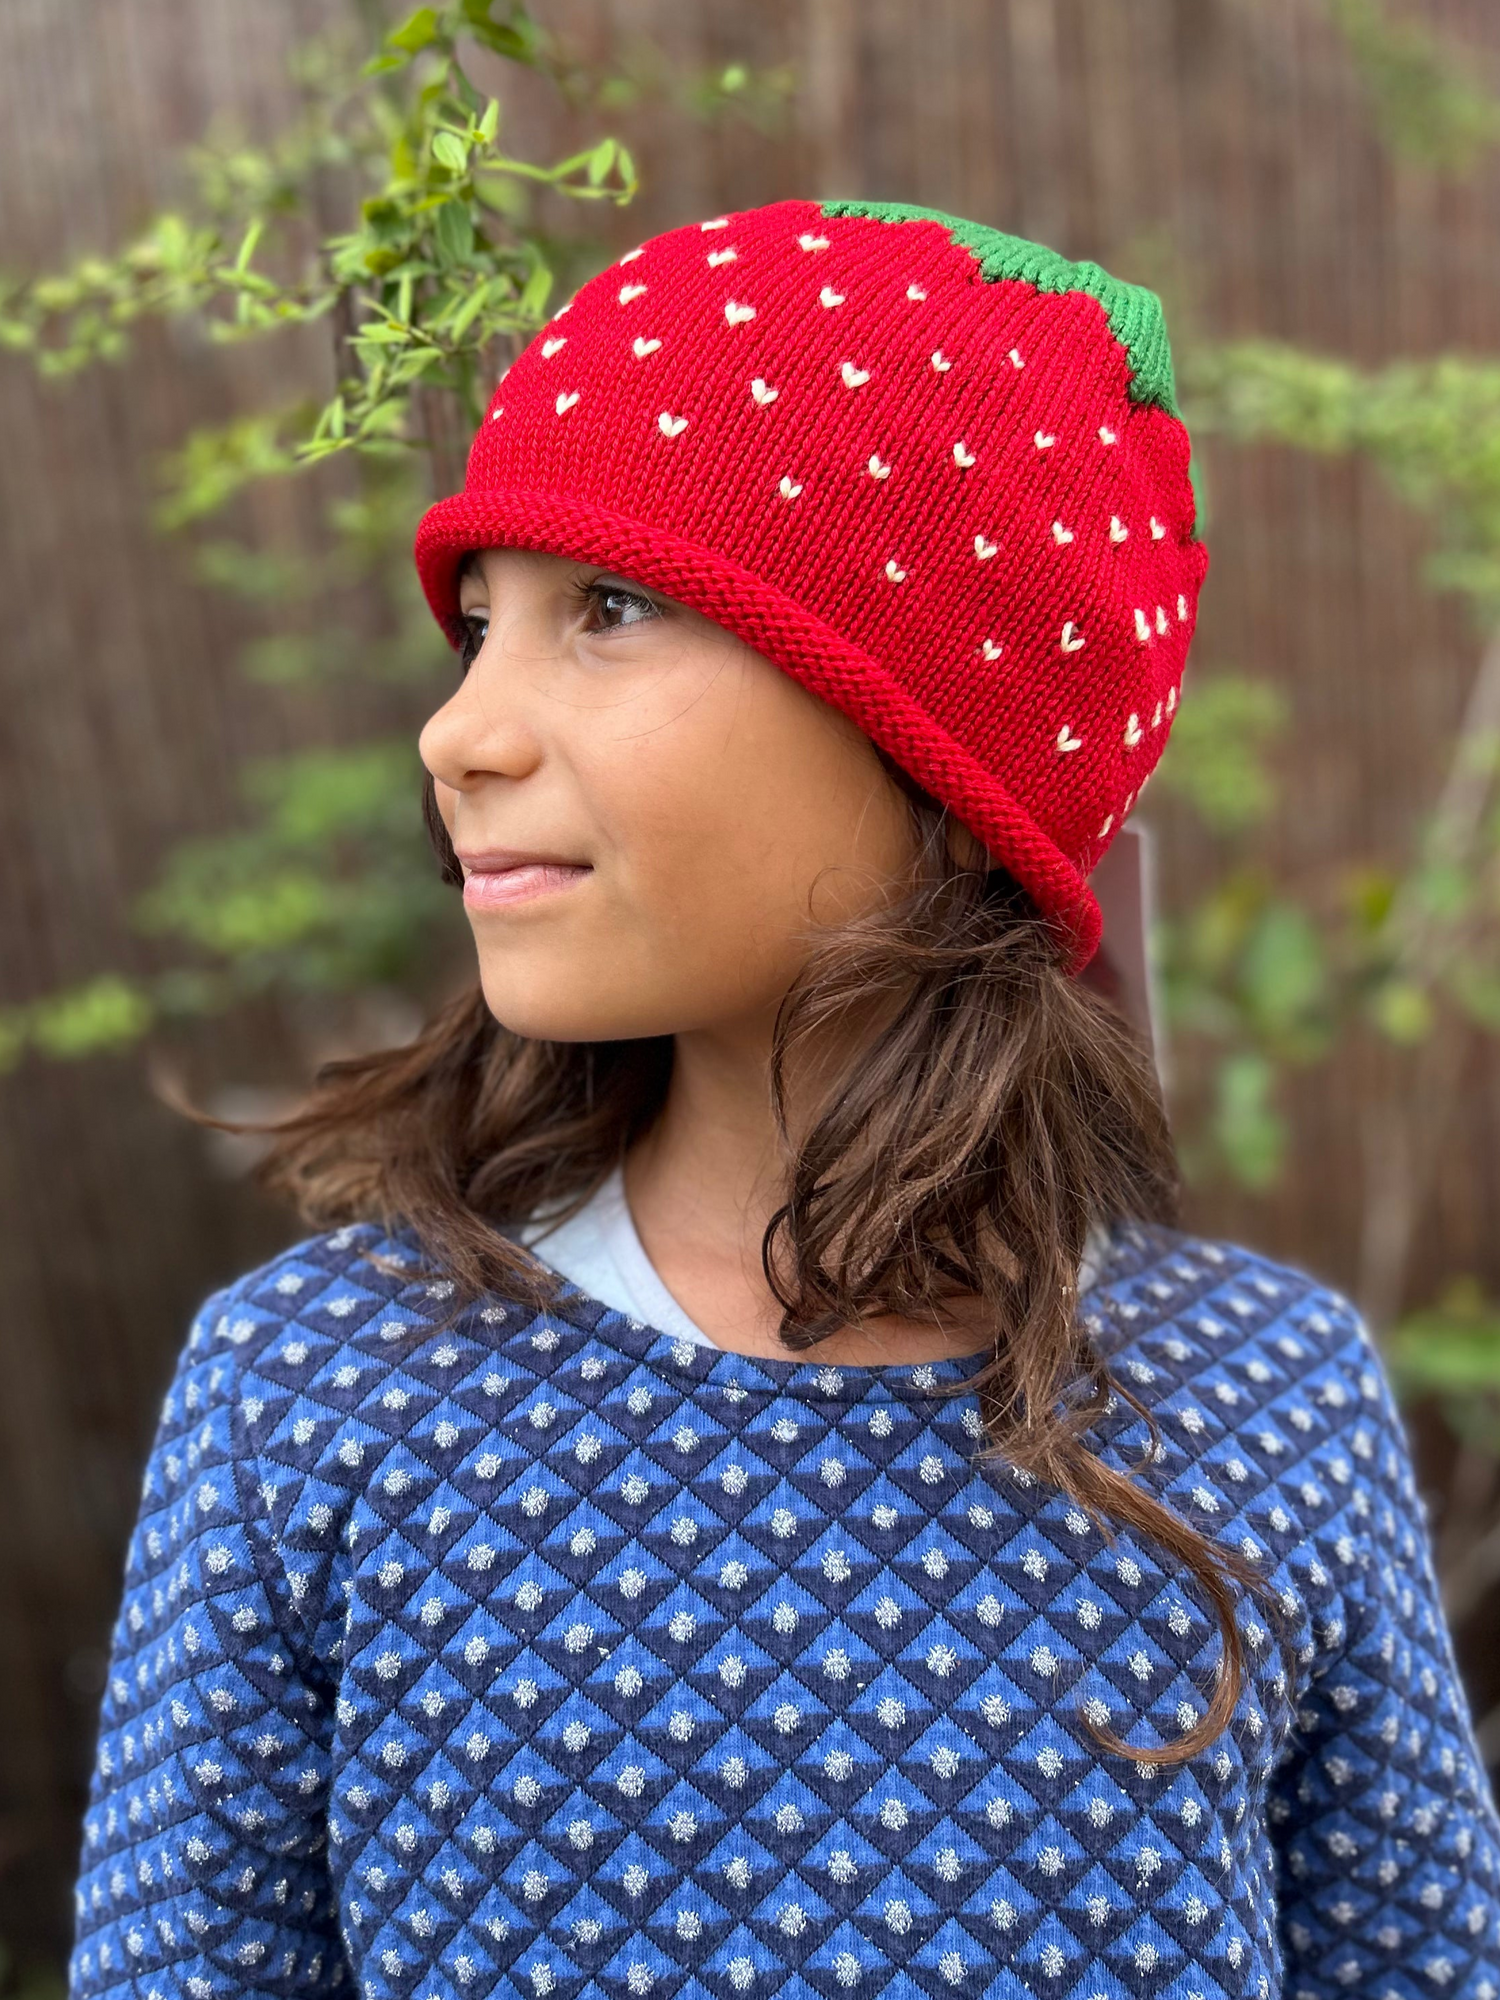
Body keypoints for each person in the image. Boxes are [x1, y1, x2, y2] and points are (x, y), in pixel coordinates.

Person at [67, 197, 1500, 1999]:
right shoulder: (321, 1401)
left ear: (939, 746)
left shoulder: (1263, 1407)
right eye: (478, 628)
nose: (458, 731)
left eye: (608, 609)